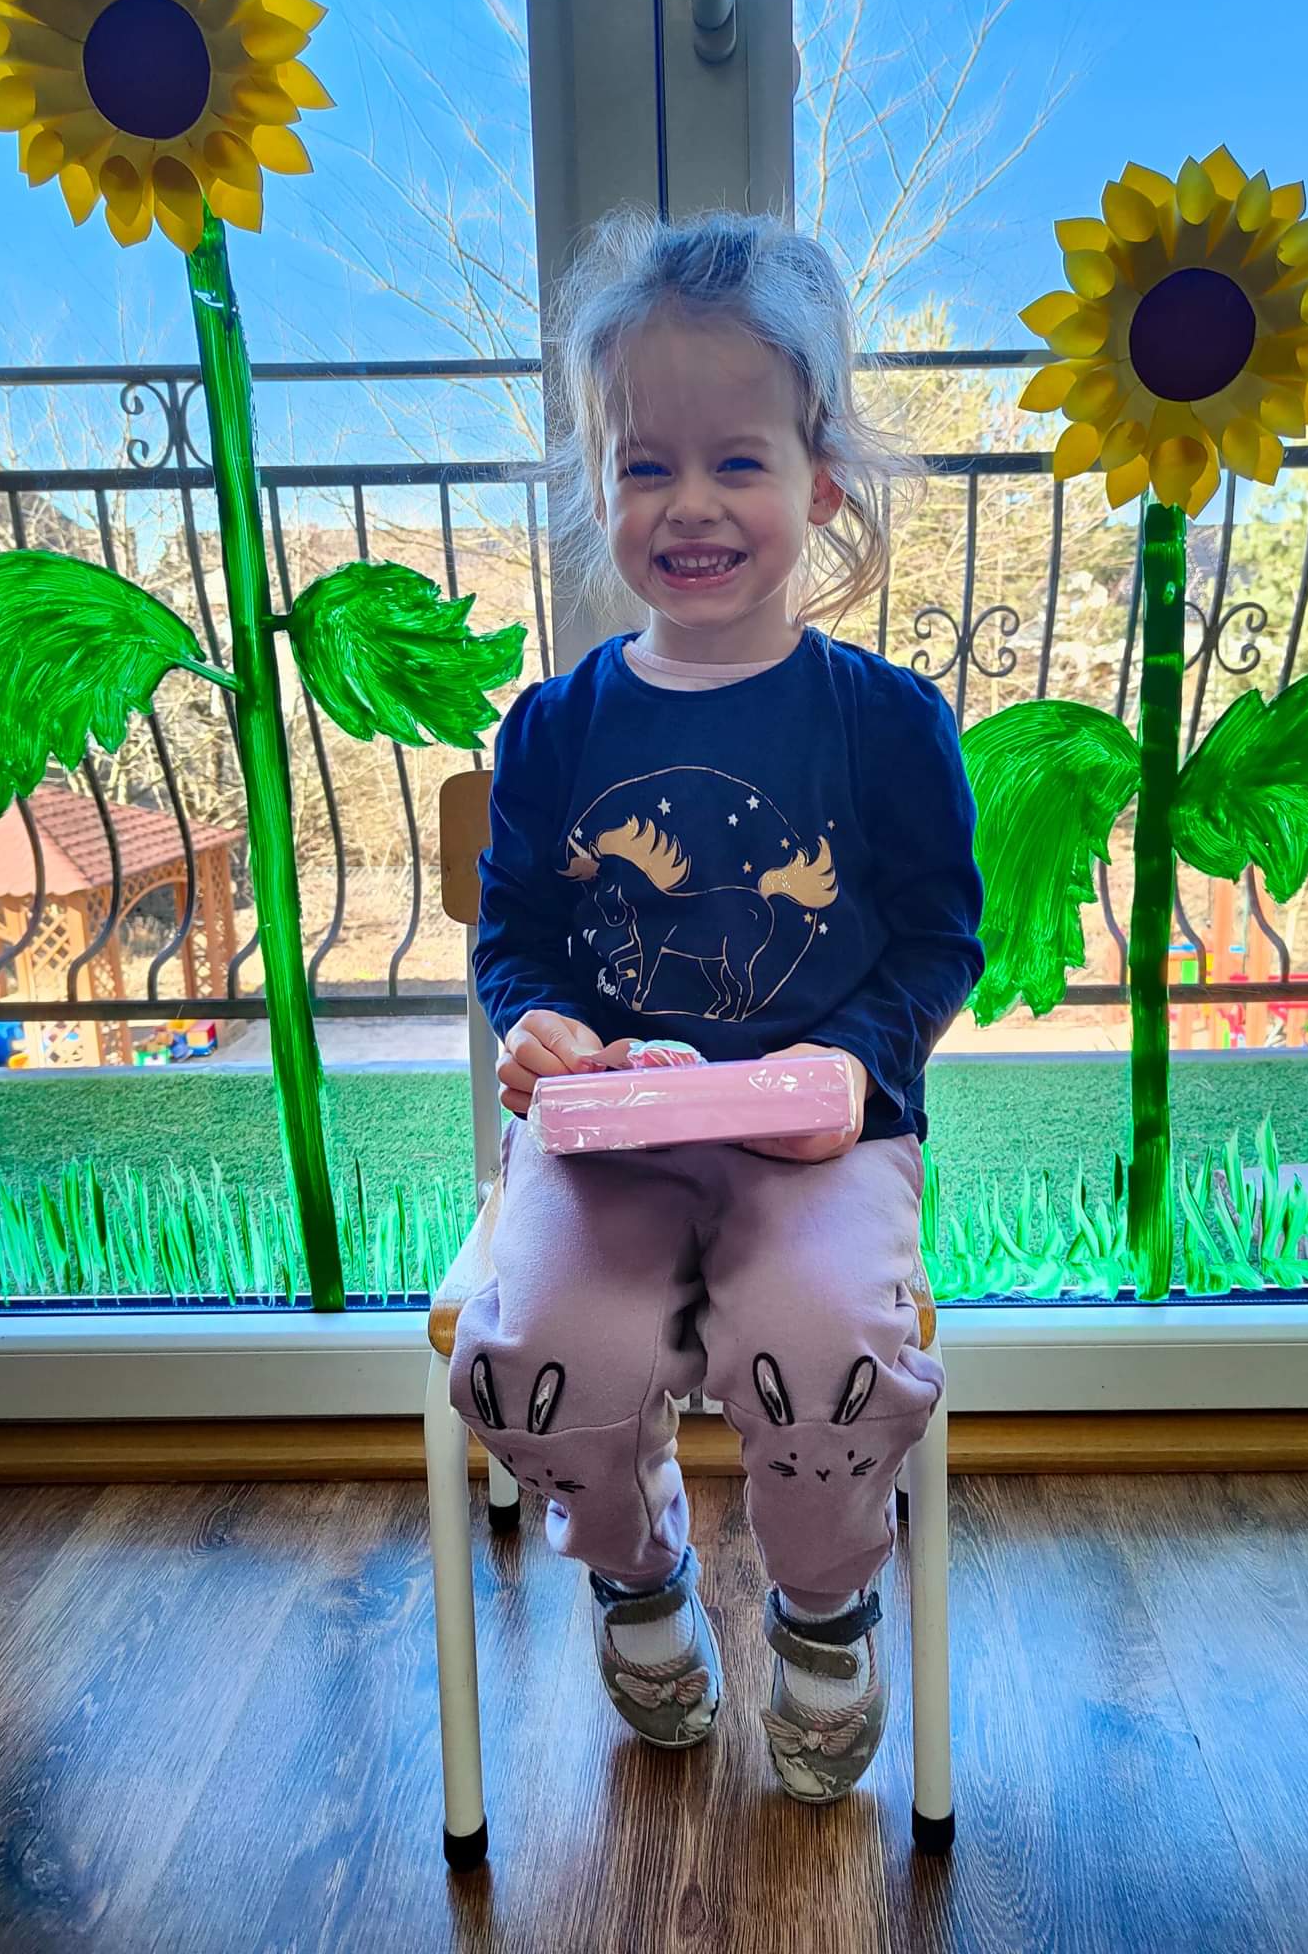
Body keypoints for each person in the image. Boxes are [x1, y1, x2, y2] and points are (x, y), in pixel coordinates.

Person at [451, 208, 983, 1805]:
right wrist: (537, 1021)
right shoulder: (552, 730)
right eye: (645, 465)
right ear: (597, 484)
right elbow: (518, 933)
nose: (689, 504)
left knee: (821, 1345)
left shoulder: (887, 723)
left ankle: (825, 1606)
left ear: (821, 480)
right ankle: (636, 1578)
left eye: (738, 460)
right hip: (608, 1144)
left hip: (823, 1147)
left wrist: (856, 1064)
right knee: (545, 1350)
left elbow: (940, 939)